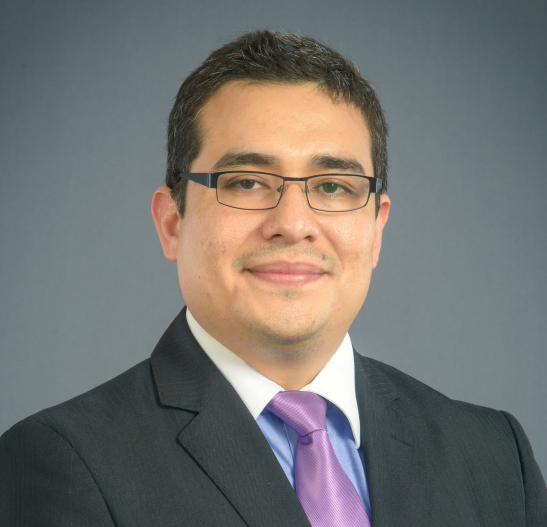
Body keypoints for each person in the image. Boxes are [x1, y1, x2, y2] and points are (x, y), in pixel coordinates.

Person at [1, 29, 546, 527]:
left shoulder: (495, 457)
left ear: (376, 228)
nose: (293, 223)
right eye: (246, 182)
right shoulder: (63, 462)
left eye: (333, 186)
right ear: (172, 223)